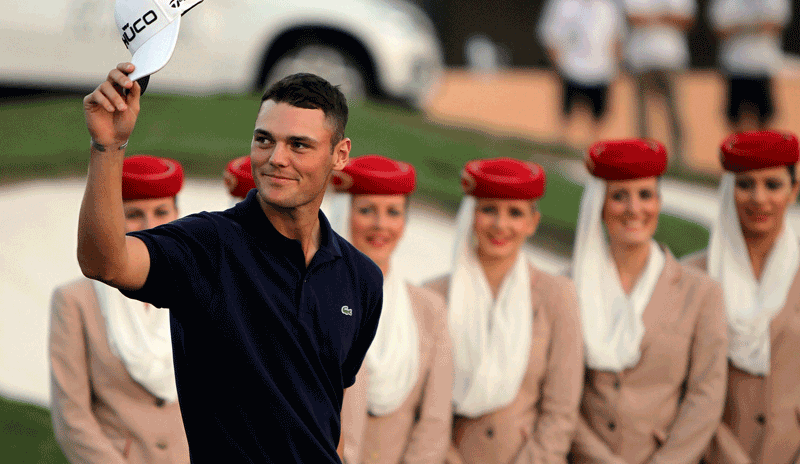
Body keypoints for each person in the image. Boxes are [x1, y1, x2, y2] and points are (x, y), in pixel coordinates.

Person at [77, 63, 383, 463]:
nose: (277, 158)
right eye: (264, 140)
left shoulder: (362, 279)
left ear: (339, 154)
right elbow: (105, 262)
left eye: (299, 145)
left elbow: (328, 412)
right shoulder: (207, 245)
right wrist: (108, 146)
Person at [568, 138, 728, 464]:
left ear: (659, 202)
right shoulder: (566, 289)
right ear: (599, 205)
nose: (634, 208)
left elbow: (706, 395)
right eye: (619, 196)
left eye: (645, 195)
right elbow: (557, 397)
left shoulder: (701, 293)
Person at [425, 158, 583, 464]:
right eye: (488, 210)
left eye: (515, 213)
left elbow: (561, 412)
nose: (501, 224)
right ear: (471, 215)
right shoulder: (434, 296)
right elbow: (423, 404)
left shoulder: (557, 296)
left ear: (532, 222)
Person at [50, 154, 190, 464]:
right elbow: (72, 418)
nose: (151, 225)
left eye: (162, 211)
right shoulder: (74, 301)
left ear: (178, 214)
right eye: (134, 214)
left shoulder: (200, 289)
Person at [683, 130, 800, 464]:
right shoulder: (692, 277)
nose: (758, 198)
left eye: (773, 185)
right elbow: (681, 389)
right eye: (745, 184)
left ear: (793, 191)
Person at [329, 155, 453, 464]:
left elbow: (435, 422)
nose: (381, 224)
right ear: (345, 213)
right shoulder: (312, 298)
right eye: (367, 210)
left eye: (393, 212)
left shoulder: (429, 309)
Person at [613, 0, 696, 168]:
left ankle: (680, 159)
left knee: (674, 110)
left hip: (671, 58)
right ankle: (643, 157)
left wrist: (649, 17)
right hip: (639, 58)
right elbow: (626, 18)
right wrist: (664, 16)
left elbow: (687, 18)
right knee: (641, 113)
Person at [538, 0, 625, 140]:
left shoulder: (609, 1)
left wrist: (616, 67)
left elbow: (618, 37)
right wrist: (557, 66)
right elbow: (549, 34)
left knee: (598, 120)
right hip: (570, 69)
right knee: (566, 117)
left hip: (601, 70)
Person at [708, 0, 792, 133]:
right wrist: (754, 26)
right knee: (735, 119)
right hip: (735, 64)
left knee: (765, 118)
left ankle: (761, 158)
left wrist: (740, 27)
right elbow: (720, 27)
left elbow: (777, 24)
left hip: (763, 65)